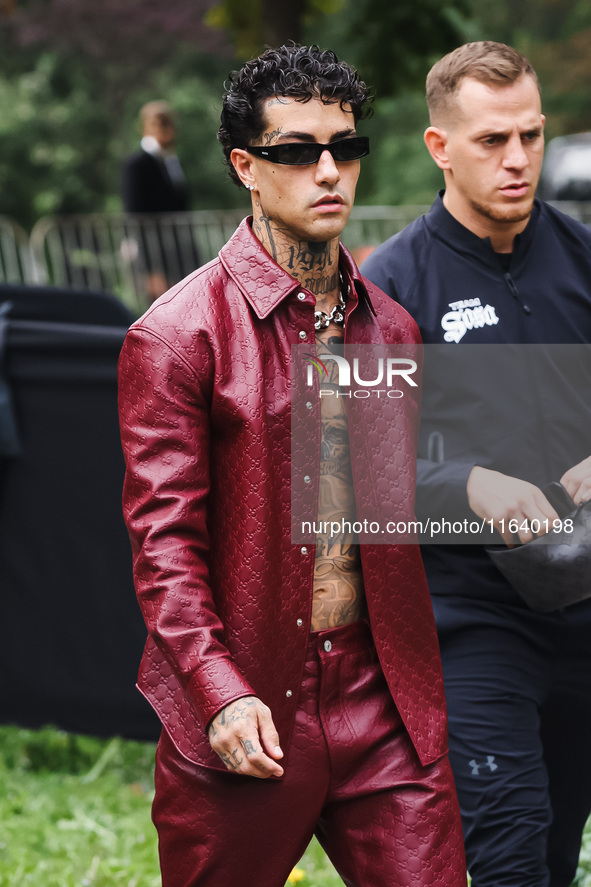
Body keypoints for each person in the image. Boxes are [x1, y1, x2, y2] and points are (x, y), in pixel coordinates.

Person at [118, 44, 466, 887]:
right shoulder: (175, 337)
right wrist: (216, 688)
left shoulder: (391, 328)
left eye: (343, 148)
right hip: (244, 698)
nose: (327, 171)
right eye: (295, 151)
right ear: (245, 165)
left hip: (384, 701)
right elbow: (164, 543)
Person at [361, 40, 591, 887]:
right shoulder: (385, 289)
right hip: (472, 623)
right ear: (438, 147)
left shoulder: (582, 259)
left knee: (556, 848)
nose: (519, 159)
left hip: (585, 607)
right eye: (493, 140)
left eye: (530, 134)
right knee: (507, 846)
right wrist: (468, 485)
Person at [121, 101, 198, 300]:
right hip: (154, 249)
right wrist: (148, 263)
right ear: (145, 127)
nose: (165, 129)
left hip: (178, 246)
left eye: (168, 123)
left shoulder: (171, 161)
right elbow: (134, 210)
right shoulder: (137, 163)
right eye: (158, 123)